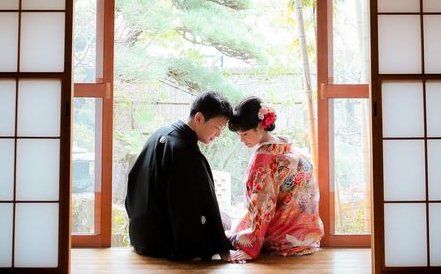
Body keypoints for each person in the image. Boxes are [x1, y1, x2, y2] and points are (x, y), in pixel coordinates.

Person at [125, 90, 244, 263]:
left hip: (140, 237)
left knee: (222, 218)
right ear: (199, 118)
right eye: (217, 128)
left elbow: (133, 180)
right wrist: (222, 248)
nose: (218, 135)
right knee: (225, 221)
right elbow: (199, 204)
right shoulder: (183, 151)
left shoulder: (161, 133)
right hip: (163, 244)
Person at [227, 96, 324, 261]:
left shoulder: (264, 158)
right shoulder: (288, 148)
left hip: (284, 239)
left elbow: (263, 206)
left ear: (260, 126)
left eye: (245, 134)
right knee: (235, 226)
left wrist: (251, 248)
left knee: (224, 236)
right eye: (238, 135)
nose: (242, 140)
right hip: (309, 236)